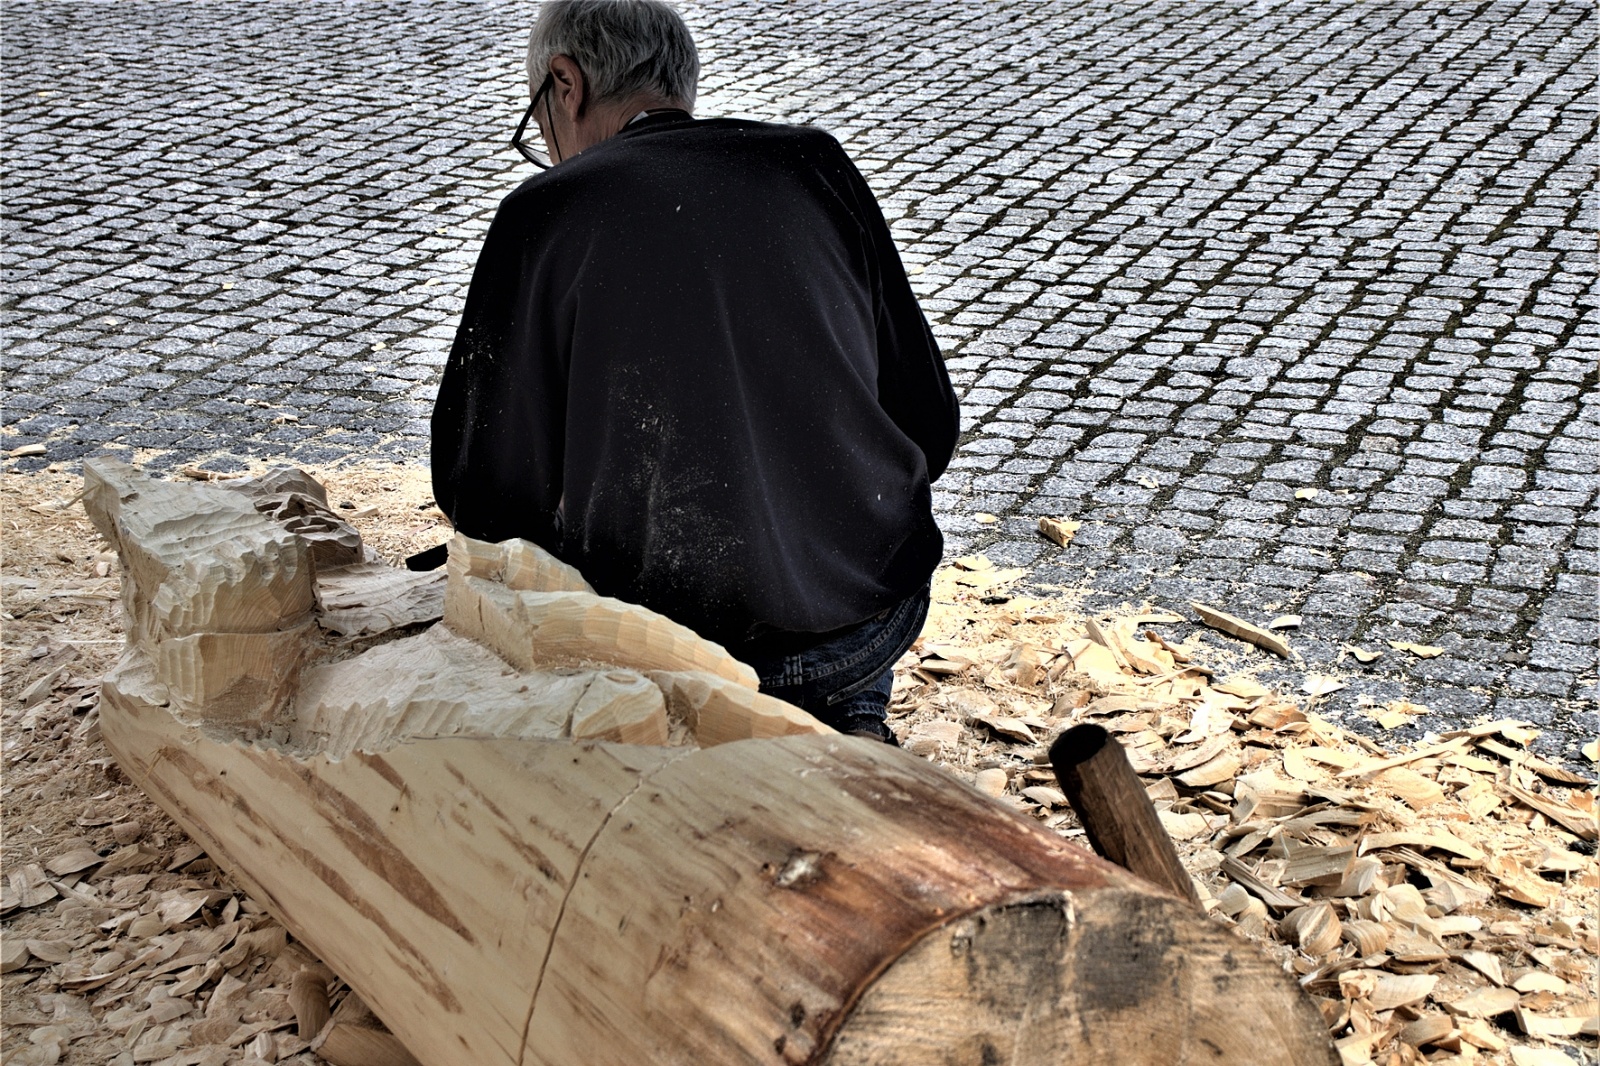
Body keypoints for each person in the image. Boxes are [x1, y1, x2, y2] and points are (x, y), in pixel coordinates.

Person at [430, 0, 959, 743]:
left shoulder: (547, 210)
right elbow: (928, 422)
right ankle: (852, 721)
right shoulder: (813, 164)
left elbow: (481, 494)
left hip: (671, 651)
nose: (546, 144)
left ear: (566, 83)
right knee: (829, 705)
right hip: (865, 614)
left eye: (539, 120)